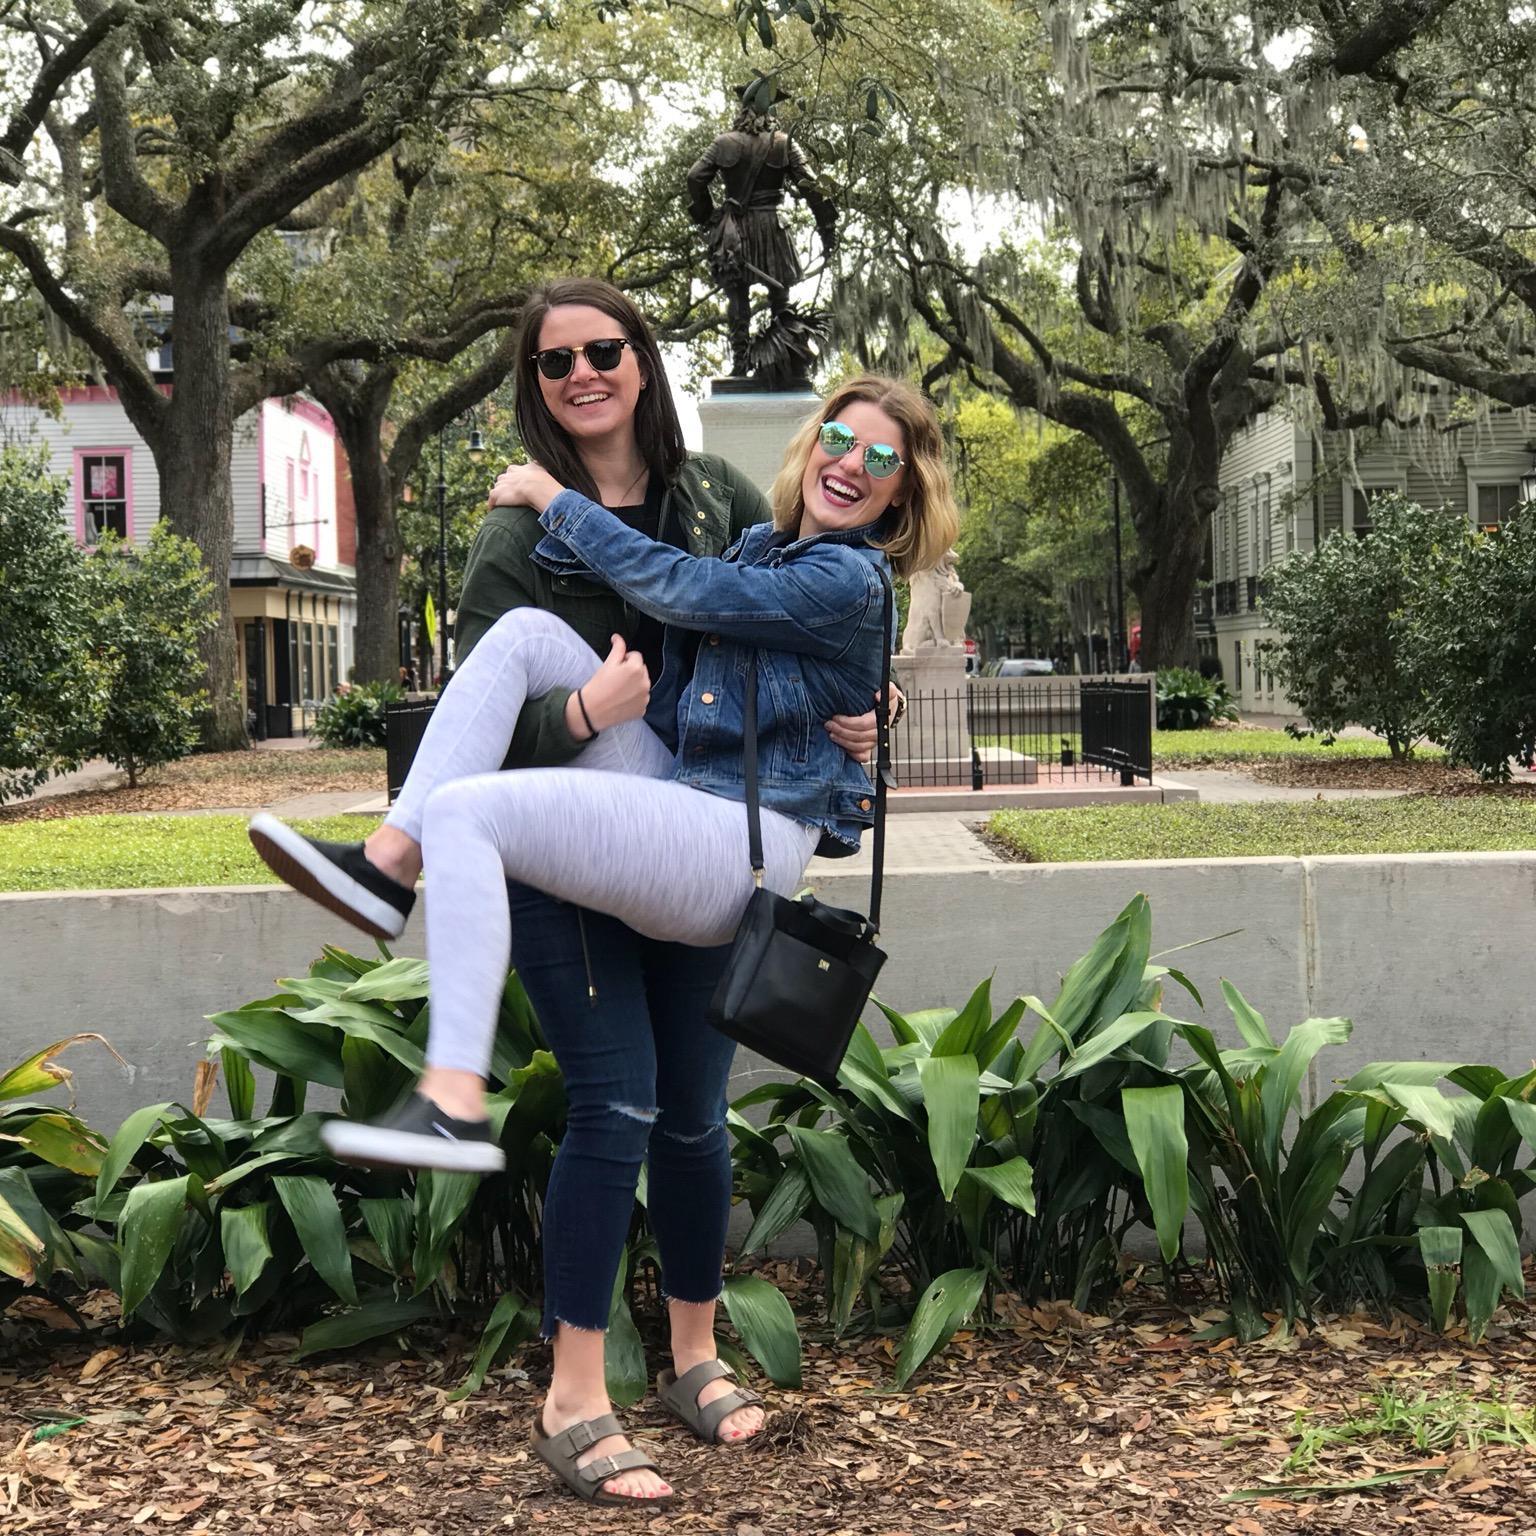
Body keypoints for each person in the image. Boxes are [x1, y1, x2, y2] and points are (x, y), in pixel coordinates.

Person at [247, 284, 954, 1508]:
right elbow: (478, 722)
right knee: (610, 1098)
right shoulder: (515, 534)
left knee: (693, 1119)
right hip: (592, 830)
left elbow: (733, 616)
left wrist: (869, 706)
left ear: (641, 360)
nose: (582, 372)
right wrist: (581, 712)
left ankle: (691, 1355)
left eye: (605, 349)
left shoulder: (717, 505)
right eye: (555, 358)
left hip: (694, 835)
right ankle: (574, 1394)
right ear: (536, 378)